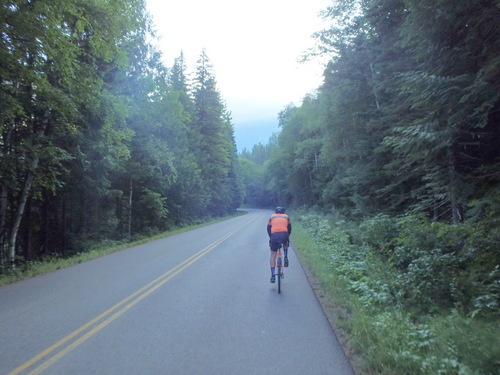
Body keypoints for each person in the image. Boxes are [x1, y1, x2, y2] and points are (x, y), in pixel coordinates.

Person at [267, 207, 292, 283]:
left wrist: (271, 237)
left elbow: (268, 229)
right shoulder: (286, 216)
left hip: (274, 236)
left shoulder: (272, 217)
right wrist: (287, 236)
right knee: (285, 243)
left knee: (273, 255)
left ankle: (273, 276)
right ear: (283, 212)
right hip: (284, 234)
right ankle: (285, 256)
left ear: (275, 212)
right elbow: (289, 228)